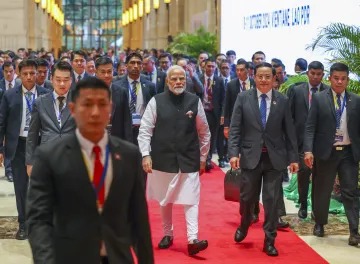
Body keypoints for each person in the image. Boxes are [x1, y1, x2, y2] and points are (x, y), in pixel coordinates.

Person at [26, 77, 154, 264]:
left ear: (110, 109)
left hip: (117, 256)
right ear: (72, 109)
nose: (95, 112)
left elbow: (139, 220)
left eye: (102, 104)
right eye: (87, 104)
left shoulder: (129, 155)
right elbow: (38, 219)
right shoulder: (49, 157)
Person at [138, 65, 210, 255]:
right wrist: (146, 154)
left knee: (192, 199)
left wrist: (203, 158)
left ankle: (193, 239)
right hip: (162, 158)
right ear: (167, 81)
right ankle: (167, 234)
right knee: (165, 199)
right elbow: (145, 130)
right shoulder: (156, 101)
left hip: (189, 158)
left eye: (182, 79)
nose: (178, 82)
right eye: (174, 79)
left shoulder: (194, 101)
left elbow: (204, 132)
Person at [228, 62, 298, 256]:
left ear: (274, 78)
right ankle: (244, 225)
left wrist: (293, 158)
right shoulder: (243, 98)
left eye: (268, 76)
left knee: (271, 200)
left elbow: (289, 131)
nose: (264, 80)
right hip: (250, 157)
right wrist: (233, 153)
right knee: (247, 197)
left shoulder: (282, 100)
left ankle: (269, 239)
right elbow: (235, 128)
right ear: (254, 77)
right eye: (260, 76)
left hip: (274, 159)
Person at [303, 63, 360, 245]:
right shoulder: (319, 99)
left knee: (350, 192)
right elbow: (310, 126)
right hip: (326, 152)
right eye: (336, 78)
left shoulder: (355, 100)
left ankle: (354, 230)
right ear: (330, 78)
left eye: (343, 78)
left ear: (347, 80)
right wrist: (308, 150)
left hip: (348, 153)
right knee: (322, 190)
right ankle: (320, 223)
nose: (339, 82)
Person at [0, 59, 48, 240]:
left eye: (32, 73)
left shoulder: (46, 94)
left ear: (38, 74)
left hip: (40, 144)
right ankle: (23, 224)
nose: (29, 77)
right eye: (25, 74)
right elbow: (1, 122)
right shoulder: (9, 95)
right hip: (19, 145)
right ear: (19, 74)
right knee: (21, 187)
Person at [287, 61, 330, 219]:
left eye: (319, 74)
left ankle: (316, 209)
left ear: (323, 75)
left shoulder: (328, 92)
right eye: (313, 73)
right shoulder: (296, 91)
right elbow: (289, 117)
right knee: (304, 173)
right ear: (307, 74)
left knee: (319, 176)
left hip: (322, 142)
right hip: (301, 142)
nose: (315, 77)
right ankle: (303, 204)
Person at [25, 61, 76, 176]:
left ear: (71, 80)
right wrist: (30, 162)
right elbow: (32, 135)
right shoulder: (40, 102)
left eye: (66, 80)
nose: (62, 84)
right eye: (58, 80)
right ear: (51, 79)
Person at [113, 53, 156, 145]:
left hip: (143, 130)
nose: (136, 66)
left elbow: (154, 110)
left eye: (138, 63)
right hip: (123, 130)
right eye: (132, 62)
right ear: (126, 65)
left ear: (142, 66)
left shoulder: (150, 86)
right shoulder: (117, 86)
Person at [95, 57, 132, 142]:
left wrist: (128, 144)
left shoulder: (121, 92)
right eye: (103, 72)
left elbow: (127, 121)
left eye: (109, 72)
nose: (106, 75)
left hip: (117, 140)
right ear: (96, 72)